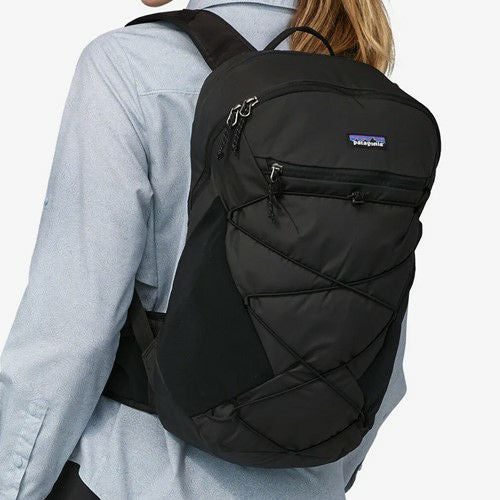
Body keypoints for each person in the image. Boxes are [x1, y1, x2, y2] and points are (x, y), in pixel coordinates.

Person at [0, 0, 399, 498]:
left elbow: (69, 335)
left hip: (135, 480)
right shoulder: (361, 85)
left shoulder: (130, 66)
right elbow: (382, 354)